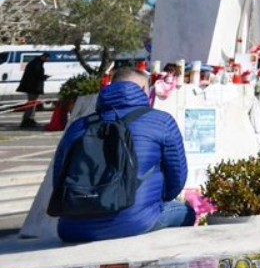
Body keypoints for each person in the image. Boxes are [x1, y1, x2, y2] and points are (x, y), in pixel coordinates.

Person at [52, 66, 193, 242]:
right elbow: (177, 177)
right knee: (187, 212)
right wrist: (157, 199)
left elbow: (58, 178)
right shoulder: (161, 121)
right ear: (144, 89)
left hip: (72, 228)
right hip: (135, 221)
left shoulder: (78, 126)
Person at [17, 52, 48, 128]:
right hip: (33, 87)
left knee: (32, 104)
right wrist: (44, 77)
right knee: (31, 104)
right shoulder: (37, 64)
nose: (47, 60)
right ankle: (26, 120)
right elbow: (37, 75)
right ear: (44, 57)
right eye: (47, 58)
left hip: (32, 87)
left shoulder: (36, 62)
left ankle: (30, 119)